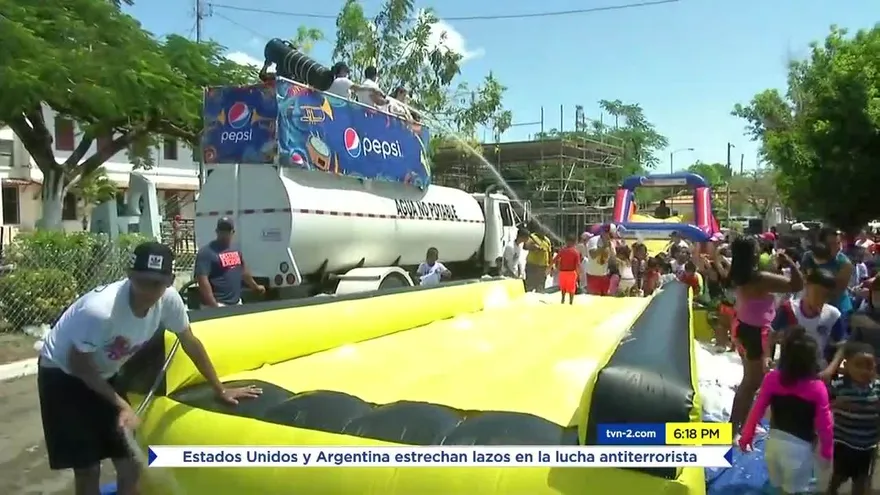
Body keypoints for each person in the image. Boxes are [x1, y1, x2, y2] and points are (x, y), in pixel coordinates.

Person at [37, 242, 261, 495]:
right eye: (142, 281)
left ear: (170, 281)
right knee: (88, 467)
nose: (148, 292)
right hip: (63, 374)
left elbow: (190, 342)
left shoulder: (169, 300)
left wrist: (220, 389)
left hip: (104, 372)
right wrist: (121, 405)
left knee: (130, 461)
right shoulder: (100, 311)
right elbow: (80, 365)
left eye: (157, 284)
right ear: (129, 275)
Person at [738, 328, 833, 495]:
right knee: (793, 490)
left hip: (773, 444)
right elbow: (825, 425)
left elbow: (757, 409)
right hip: (800, 449)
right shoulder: (817, 388)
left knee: (776, 486)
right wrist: (827, 452)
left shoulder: (772, 379)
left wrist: (747, 435)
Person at [728, 236, 804, 431]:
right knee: (751, 383)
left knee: (749, 381)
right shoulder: (759, 279)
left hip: (742, 326)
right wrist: (790, 263)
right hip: (756, 332)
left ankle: (737, 424)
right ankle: (736, 427)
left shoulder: (738, 274)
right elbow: (797, 285)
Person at [826, 342, 880, 495]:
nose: (864, 370)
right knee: (840, 474)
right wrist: (835, 404)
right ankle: (831, 490)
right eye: (858, 365)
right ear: (847, 365)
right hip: (844, 443)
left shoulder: (877, 387)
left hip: (867, 446)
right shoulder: (839, 385)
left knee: (861, 480)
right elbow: (823, 404)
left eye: (869, 366)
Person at [770, 268, 844, 378]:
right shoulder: (789, 309)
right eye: (817, 292)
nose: (820, 298)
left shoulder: (833, 315)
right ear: (807, 286)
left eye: (825, 295)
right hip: (787, 370)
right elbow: (771, 334)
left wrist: (829, 370)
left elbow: (841, 346)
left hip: (817, 373)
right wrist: (767, 357)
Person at [195, 217, 266, 307]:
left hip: (236, 303)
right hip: (218, 304)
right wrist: (214, 305)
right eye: (222, 231)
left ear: (233, 232)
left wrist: (255, 287)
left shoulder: (235, 250)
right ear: (217, 231)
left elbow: (244, 272)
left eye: (227, 231)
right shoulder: (206, 252)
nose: (224, 234)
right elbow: (202, 280)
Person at [803, 227, 854, 326]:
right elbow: (806, 281)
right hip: (812, 304)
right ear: (821, 244)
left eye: (838, 243)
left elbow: (838, 290)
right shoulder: (809, 257)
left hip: (838, 307)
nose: (837, 247)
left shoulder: (845, 263)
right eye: (831, 244)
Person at [585, 225, 616, 295]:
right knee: (593, 298)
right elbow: (592, 255)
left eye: (612, 235)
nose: (610, 237)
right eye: (610, 235)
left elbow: (613, 259)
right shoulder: (594, 241)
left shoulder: (611, 243)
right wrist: (604, 247)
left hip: (604, 275)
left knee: (604, 299)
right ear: (604, 233)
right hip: (593, 275)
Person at [553, 234, 581, 304]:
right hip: (571, 272)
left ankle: (563, 300)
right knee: (571, 289)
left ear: (566, 241)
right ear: (574, 242)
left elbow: (555, 259)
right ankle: (570, 302)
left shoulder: (563, 251)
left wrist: (549, 267)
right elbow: (577, 265)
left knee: (563, 288)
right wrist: (578, 274)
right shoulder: (575, 252)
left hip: (563, 272)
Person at [523, 227, 553, 292]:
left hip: (543, 267)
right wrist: (534, 247)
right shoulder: (532, 237)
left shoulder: (547, 240)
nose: (544, 232)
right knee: (530, 286)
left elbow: (549, 253)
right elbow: (526, 246)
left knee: (540, 287)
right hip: (533, 266)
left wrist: (550, 266)